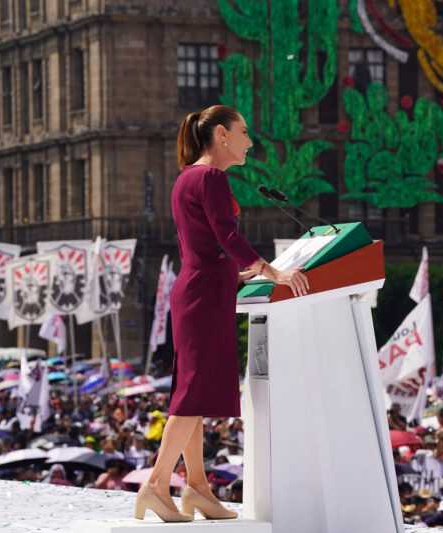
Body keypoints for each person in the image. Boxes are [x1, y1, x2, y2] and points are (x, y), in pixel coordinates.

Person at [135, 104, 309, 523]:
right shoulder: (210, 177)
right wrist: (273, 272)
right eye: (244, 131)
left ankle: (197, 489)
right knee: (192, 395)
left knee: (191, 393)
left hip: (200, 290)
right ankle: (157, 485)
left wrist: (246, 273)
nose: (250, 141)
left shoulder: (187, 177)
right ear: (221, 135)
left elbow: (211, 244)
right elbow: (226, 235)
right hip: (204, 294)